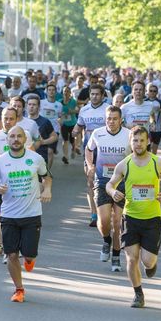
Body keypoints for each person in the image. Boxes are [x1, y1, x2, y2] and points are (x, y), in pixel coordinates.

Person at [106, 126, 161, 308]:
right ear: (130, 142)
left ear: (148, 142)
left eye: (142, 140)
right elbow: (110, 184)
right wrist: (113, 192)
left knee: (147, 260)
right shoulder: (124, 164)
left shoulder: (157, 163)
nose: (138, 144)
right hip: (130, 218)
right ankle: (138, 294)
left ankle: (151, 264)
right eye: (135, 141)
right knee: (131, 258)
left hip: (152, 218)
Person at [0, 125, 52, 303]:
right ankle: (19, 289)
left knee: (29, 255)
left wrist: (47, 189)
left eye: (19, 136)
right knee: (12, 255)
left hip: (31, 214)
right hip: (8, 215)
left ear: (25, 139)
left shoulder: (36, 158)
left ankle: (30, 259)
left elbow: (47, 176)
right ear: (7, 140)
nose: (15, 139)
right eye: (12, 136)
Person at [0, 107, 33, 260]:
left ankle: (11, 246)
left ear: (16, 119)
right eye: (5, 118)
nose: (8, 121)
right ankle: (0, 244)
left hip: (16, 180)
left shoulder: (25, 136)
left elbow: (30, 157)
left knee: (10, 215)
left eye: (11, 118)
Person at [85, 106, 131, 272]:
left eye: (114, 119)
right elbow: (89, 150)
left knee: (118, 222)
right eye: (108, 118)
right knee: (104, 221)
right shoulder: (97, 133)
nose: (111, 122)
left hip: (122, 182)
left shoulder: (128, 135)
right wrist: (90, 166)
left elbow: (137, 154)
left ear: (121, 120)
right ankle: (106, 240)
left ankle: (117, 256)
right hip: (103, 181)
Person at [73, 84, 109, 227]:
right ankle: (94, 214)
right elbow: (79, 125)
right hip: (90, 150)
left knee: (107, 181)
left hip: (106, 151)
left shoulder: (108, 109)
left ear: (102, 95)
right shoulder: (84, 109)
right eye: (92, 94)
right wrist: (75, 132)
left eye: (97, 94)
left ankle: (107, 211)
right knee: (90, 181)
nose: (94, 97)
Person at [27, 95, 58, 169]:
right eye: (29, 104)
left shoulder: (45, 121)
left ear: (38, 107)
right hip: (26, 155)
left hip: (41, 155)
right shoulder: (23, 121)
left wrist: (42, 142)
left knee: (41, 179)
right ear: (26, 106)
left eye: (34, 104)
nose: (31, 107)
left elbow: (54, 137)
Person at [144, 84, 161, 154]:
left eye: (154, 91)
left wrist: (160, 110)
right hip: (147, 129)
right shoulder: (144, 102)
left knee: (154, 151)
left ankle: (153, 164)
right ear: (147, 91)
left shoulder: (160, 102)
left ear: (157, 92)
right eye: (150, 91)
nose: (152, 92)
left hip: (157, 129)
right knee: (147, 150)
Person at [59, 86, 78, 165]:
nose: (66, 93)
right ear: (62, 92)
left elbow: (77, 110)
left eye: (67, 91)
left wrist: (72, 111)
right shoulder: (59, 102)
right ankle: (65, 156)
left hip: (72, 123)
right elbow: (57, 112)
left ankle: (74, 149)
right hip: (64, 124)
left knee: (72, 140)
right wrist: (60, 115)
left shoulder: (73, 101)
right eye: (64, 91)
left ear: (70, 93)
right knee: (65, 140)